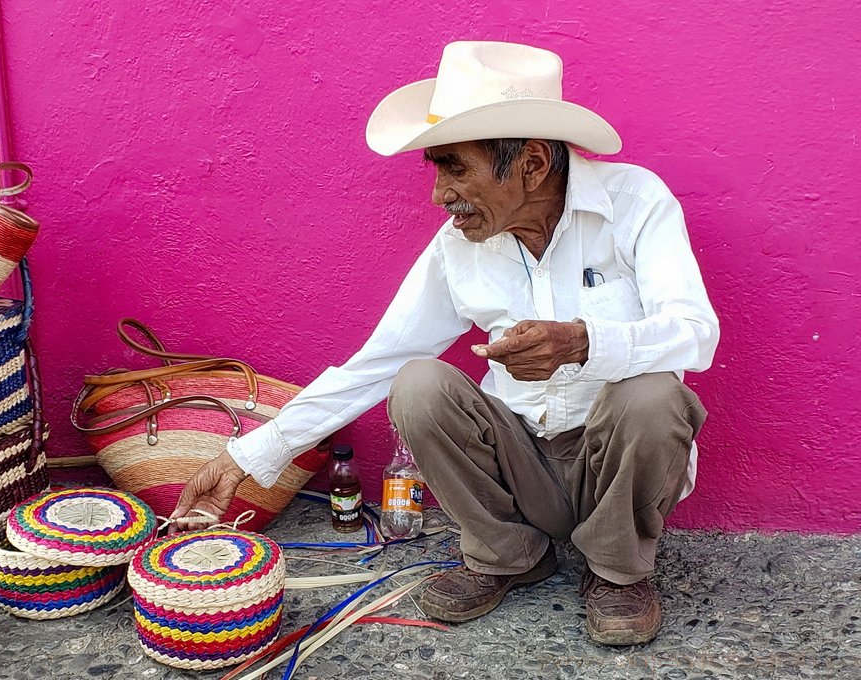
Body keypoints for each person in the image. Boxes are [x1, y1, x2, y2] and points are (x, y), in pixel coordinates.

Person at [173, 40, 719, 646]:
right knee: (419, 383)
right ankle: (507, 555)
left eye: (455, 167)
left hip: (612, 465)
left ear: (532, 164)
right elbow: (379, 362)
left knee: (653, 395)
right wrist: (248, 458)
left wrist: (582, 342)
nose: (439, 194)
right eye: (435, 167)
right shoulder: (459, 245)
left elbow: (696, 334)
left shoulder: (636, 203)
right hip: (521, 470)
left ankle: (618, 573)